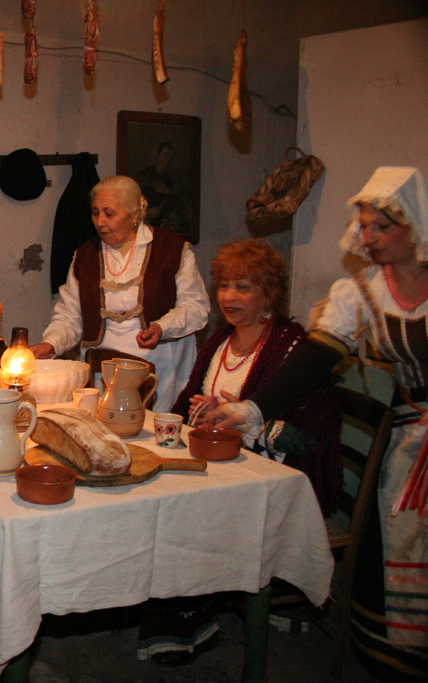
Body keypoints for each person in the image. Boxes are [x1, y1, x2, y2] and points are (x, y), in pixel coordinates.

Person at [204, 167, 428, 682]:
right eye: (364, 226)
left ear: (415, 225)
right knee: (401, 553)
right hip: (412, 437)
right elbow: (312, 361)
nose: (369, 237)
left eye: (382, 226)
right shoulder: (363, 293)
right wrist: (254, 409)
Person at [135, 239, 342, 666]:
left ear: (269, 294)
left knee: (185, 513)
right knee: (156, 494)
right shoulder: (220, 341)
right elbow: (187, 405)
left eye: (243, 287)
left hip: (280, 481)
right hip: (223, 468)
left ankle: (190, 619)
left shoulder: (292, 347)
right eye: (225, 285)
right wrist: (201, 413)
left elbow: (311, 440)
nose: (229, 296)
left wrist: (249, 421)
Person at [30, 175, 210, 412]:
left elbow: (196, 307)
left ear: (135, 214)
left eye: (109, 213)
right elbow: (69, 316)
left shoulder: (172, 249)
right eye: (95, 212)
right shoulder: (85, 256)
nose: (100, 222)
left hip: (161, 367)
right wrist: (51, 344)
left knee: (153, 430)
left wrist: (162, 327)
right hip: (102, 371)